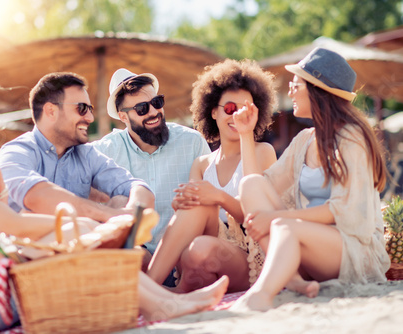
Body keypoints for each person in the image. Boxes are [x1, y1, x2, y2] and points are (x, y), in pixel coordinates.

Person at [0, 77, 230, 333]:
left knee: (102, 225)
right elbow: (18, 221)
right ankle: (163, 302)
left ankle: (163, 299)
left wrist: (104, 221)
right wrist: (90, 226)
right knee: (86, 242)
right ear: (51, 112)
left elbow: (137, 189)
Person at [230, 48, 391, 312]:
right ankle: (292, 279)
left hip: (353, 251)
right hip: (309, 247)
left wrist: (274, 219)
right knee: (251, 186)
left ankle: (260, 294)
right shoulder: (305, 140)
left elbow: (342, 212)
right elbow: (259, 187)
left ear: (316, 90)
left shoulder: (352, 138)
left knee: (285, 226)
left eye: (296, 85)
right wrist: (246, 135)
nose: (290, 91)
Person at [146, 59, 277, 293]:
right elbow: (194, 221)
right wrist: (182, 205)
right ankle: (149, 289)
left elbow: (258, 219)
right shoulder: (201, 164)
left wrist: (219, 197)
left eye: (244, 109)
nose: (236, 115)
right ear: (213, 112)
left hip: (250, 256)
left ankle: (156, 292)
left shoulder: (263, 152)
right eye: (229, 109)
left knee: (201, 249)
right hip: (204, 250)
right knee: (196, 230)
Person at [92, 68, 211, 274]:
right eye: (141, 108)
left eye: (157, 103)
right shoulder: (105, 151)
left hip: (187, 256)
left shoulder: (192, 142)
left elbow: (213, 204)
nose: (154, 112)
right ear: (123, 117)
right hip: (137, 259)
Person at [0, 72, 155, 221]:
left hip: (76, 245)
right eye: (82, 108)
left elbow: (136, 187)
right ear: (51, 111)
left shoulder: (86, 154)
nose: (90, 118)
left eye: (90, 109)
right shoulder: (15, 153)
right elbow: (37, 197)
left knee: (122, 200)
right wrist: (111, 215)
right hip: (19, 249)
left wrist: (133, 210)